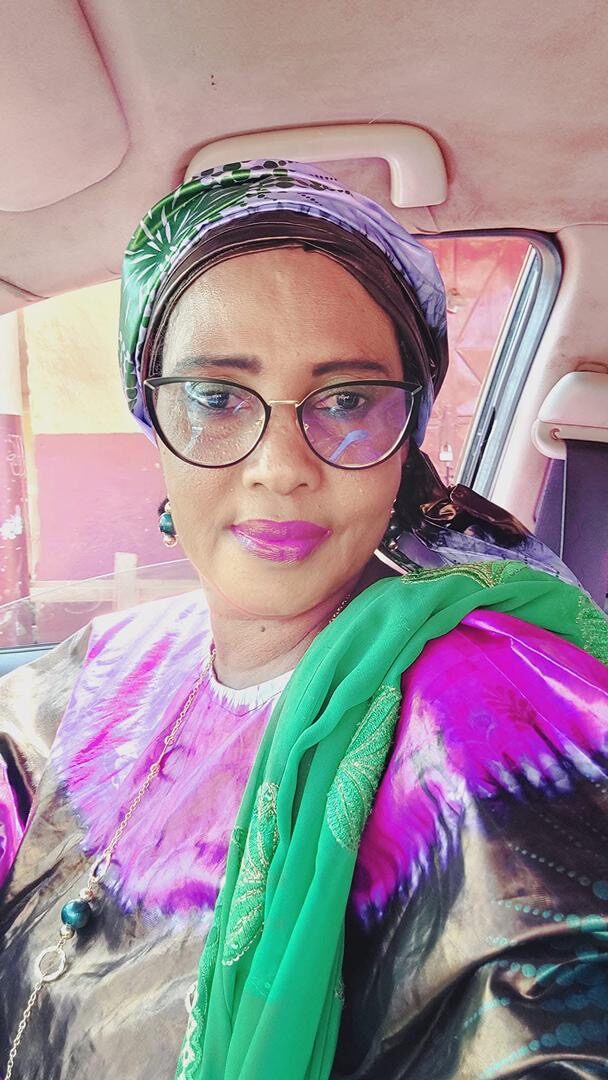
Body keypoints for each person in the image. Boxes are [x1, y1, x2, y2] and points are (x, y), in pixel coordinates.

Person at [0, 160, 607, 1080]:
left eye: (348, 401)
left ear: (408, 435)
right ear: (151, 418)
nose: (282, 467)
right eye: (215, 397)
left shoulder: (489, 713)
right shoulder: (100, 666)